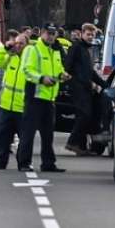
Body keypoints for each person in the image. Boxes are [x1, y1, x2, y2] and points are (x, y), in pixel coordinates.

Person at [22, 22, 71, 172]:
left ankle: (48, 163)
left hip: (49, 99)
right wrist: (41, 78)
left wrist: (62, 75)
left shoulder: (54, 51)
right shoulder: (33, 49)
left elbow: (58, 69)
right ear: (42, 32)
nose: (51, 36)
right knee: (29, 133)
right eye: (48, 33)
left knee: (48, 134)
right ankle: (24, 163)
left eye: (53, 33)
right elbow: (27, 70)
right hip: (35, 97)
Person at [64, 23, 107, 155]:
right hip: (77, 87)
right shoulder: (76, 47)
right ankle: (72, 143)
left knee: (84, 115)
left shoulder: (86, 49)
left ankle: (80, 146)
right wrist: (89, 83)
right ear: (82, 33)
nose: (90, 37)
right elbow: (69, 66)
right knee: (84, 115)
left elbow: (90, 71)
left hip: (85, 87)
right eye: (88, 34)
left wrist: (104, 84)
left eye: (92, 35)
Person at [0, 33, 31, 170]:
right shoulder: (10, 57)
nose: (18, 45)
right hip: (6, 105)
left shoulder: (30, 60)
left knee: (25, 139)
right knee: (3, 137)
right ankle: (0, 162)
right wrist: (5, 48)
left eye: (21, 43)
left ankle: (24, 163)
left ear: (27, 45)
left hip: (22, 106)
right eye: (16, 43)